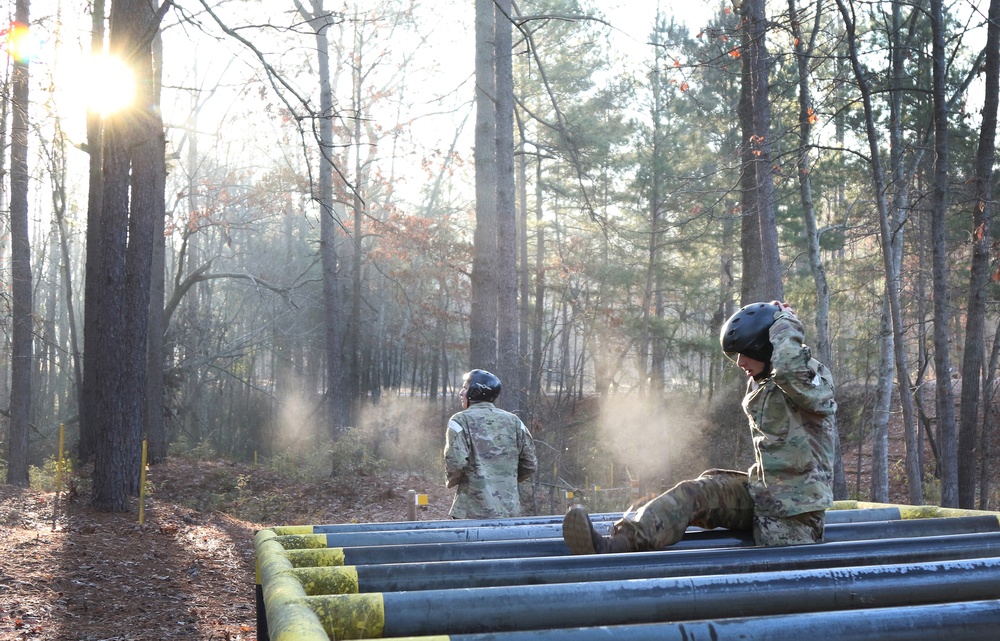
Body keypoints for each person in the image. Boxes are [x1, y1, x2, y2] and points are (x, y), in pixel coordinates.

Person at [562, 301, 837, 553]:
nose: (740, 363)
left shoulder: (813, 378)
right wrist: (770, 318)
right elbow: (778, 368)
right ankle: (614, 544)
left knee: (767, 568)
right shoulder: (763, 380)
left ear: (765, 347)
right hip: (763, 492)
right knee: (696, 491)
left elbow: (789, 369)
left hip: (797, 511)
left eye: (745, 354)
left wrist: (783, 321)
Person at [444, 369, 538, 518]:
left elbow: (456, 462)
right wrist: (504, 479)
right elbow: (530, 463)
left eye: (465, 388)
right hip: (508, 510)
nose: (461, 393)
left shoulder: (460, 421)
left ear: (475, 392)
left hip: (471, 512)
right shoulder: (515, 422)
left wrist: (451, 480)